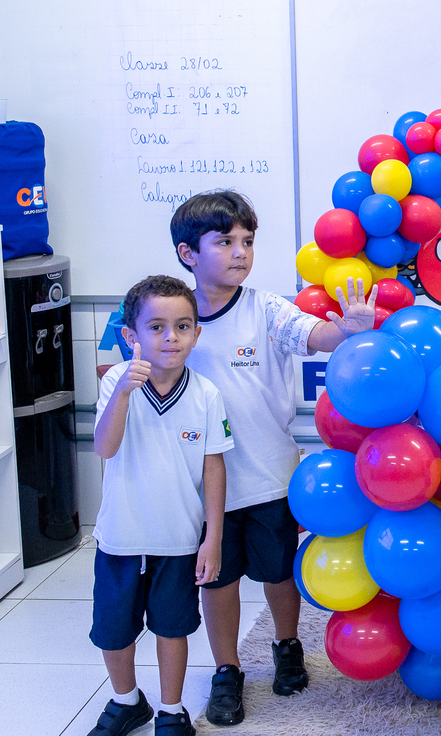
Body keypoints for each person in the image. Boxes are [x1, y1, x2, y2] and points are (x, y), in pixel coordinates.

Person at [170, 191, 377, 727]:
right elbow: (128, 360)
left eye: (247, 241)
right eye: (225, 242)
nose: (240, 252)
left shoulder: (264, 308)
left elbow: (317, 334)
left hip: (269, 477)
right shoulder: (175, 319)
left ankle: (288, 647)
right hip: (202, 489)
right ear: (188, 253)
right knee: (216, 580)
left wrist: (349, 327)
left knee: (279, 573)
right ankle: (227, 670)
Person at [89, 276, 231, 736]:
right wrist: (124, 394)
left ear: (197, 333)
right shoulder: (116, 381)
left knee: (173, 628)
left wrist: (213, 539)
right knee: (114, 630)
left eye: (183, 326)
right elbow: (105, 449)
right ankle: (125, 700)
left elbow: (214, 469)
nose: (171, 337)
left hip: (179, 540)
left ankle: (172, 710)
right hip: (121, 538)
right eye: (156, 327)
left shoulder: (206, 394)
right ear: (131, 336)